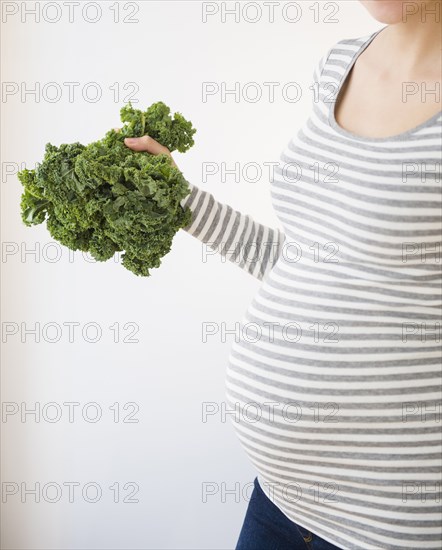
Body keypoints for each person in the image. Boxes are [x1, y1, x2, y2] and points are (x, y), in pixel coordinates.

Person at [124, 1, 442, 548]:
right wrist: (182, 203)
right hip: (279, 503)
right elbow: (310, 263)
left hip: (390, 526)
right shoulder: (341, 65)